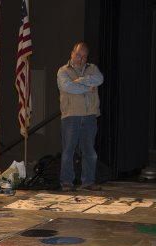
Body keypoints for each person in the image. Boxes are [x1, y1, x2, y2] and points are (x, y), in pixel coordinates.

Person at [57, 41, 104, 191]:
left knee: (90, 151)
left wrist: (80, 81)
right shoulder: (63, 71)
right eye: (78, 55)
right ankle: (66, 182)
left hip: (90, 116)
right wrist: (86, 87)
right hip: (71, 116)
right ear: (72, 53)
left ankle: (88, 182)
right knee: (68, 151)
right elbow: (67, 86)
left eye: (84, 57)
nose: (80, 59)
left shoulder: (93, 68)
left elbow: (100, 79)